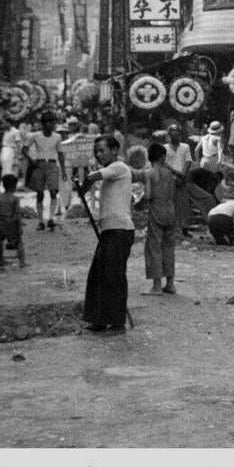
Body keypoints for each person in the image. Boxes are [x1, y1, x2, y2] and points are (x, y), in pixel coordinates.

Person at [77, 135, 144, 334]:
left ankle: (116, 323)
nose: (98, 154)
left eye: (102, 150)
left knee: (113, 277)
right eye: (95, 151)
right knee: (98, 276)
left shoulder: (120, 167)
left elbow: (92, 177)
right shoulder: (111, 172)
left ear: (114, 150)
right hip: (110, 231)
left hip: (120, 230)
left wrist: (83, 185)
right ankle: (99, 320)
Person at [136, 142, 178, 295]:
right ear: (162, 156)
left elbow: (147, 195)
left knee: (154, 246)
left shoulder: (150, 172)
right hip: (171, 210)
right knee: (169, 247)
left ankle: (157, 286)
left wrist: (139, 204)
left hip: (157, 209)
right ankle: (171, 284)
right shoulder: (169, 173)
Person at [24, 113, 65, 231]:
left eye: (53, 122)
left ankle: (51, 219)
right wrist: (31, 160)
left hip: (52, 165)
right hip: (39, 165)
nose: (51, 124)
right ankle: (41, 221)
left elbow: (60, 154)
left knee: (53, 192)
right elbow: (24, 149)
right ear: (42, 124)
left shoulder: (57, 137)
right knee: (40, 193)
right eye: (48, 122)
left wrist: (63, 171)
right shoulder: (35, 136)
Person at [0, 174, 26, 269]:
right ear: (14, 186)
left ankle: (0, 259)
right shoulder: (15, 199)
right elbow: (17, 213)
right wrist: (19, 225)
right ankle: (22, 262)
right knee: (19, 242)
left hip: (0, 221)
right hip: (11, 222)